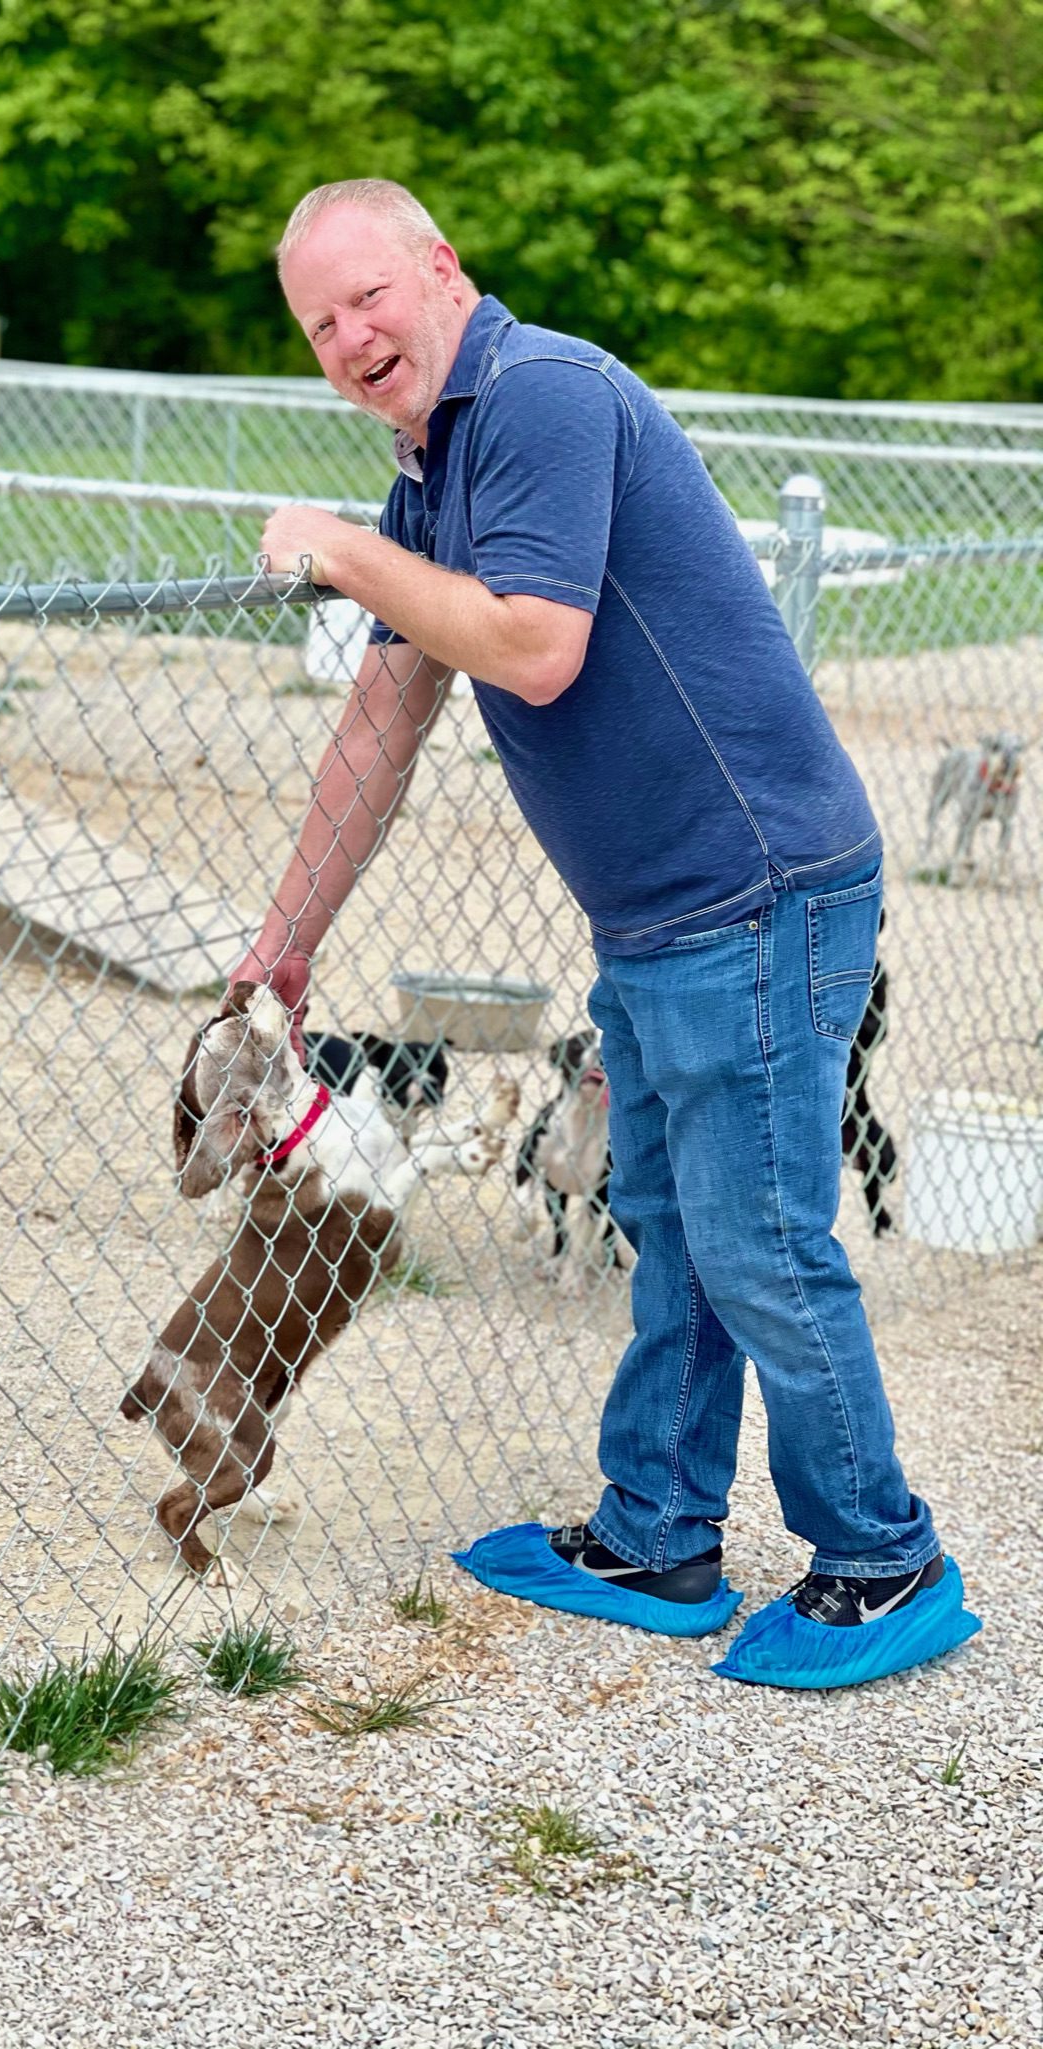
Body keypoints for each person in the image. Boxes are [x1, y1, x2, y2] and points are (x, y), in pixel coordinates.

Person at [227, 178, 980, 1690]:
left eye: (369, 294)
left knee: (760, 1239)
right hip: (658, 914)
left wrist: (338, 551)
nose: (351, 335)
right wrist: (287, 939)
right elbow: (386, 710)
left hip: (756, 890)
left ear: (444, 266)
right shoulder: (437, 460)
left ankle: (885, 1564)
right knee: (674, 1219)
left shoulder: (541, 395)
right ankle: (659, 1534)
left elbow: (534, 645)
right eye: (320, 322)